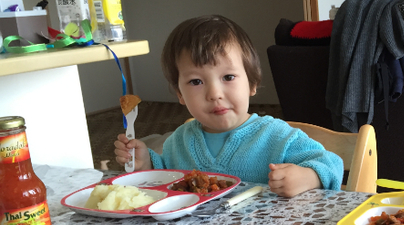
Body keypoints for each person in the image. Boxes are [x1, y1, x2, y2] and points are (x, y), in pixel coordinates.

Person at [114, 15, 343, 197]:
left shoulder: (277, 136)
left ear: (252, 83)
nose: (214, 94)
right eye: (196, 82)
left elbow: (332, 163)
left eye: (228, 77)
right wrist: (147, 162)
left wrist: (308, 176)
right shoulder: (180, 140)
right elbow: (168, 175)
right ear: (180, 94)